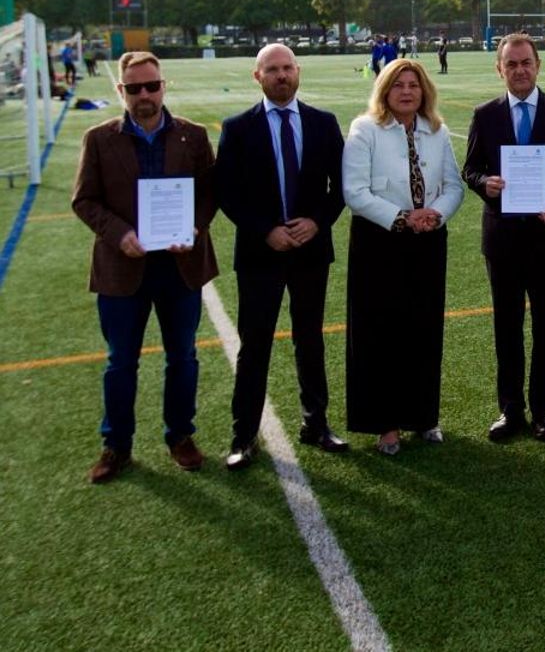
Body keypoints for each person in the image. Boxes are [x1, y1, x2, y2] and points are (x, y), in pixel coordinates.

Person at [72, 51, 218, 483]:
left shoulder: (192, 135)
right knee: (121, 362)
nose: (144, 95)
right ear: (121, 91)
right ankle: (116, 445)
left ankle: (180, 436)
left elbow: (210, 193)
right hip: (122, 267)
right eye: (134, 88)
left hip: (179, 266)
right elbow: (84, 200)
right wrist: (119, 234)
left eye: (151, 85)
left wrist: (194, 225)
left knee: (183, 357)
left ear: (163, 85)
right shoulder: (100, 138)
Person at [214, 44, 349, 470]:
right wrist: (264, 230)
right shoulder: (237, 129)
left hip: (310, 252)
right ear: (258, 77)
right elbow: (227, 193)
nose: (282, 75)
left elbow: (341, 187)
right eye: (272, 69)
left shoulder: (323, 124)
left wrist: (317, 222)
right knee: (255, 346)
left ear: (298, 71)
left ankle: (317, 423)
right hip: (260, 254)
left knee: (310, 339)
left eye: (288, 67)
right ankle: (243, 436)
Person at [462, 34, 545, 443]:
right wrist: (487, 184)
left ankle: (544, 409)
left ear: (538, 66)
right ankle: (510, 408)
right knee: (507, 326)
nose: (519, 70)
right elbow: (471, 169)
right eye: (511, 64)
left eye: (525, 63)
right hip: (502, 240)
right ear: (499, 69)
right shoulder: (485, 115)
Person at [341, 59, 464, 455]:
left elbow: (453, 185)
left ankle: (423, 416)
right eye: (398, 85)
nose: (407, 91)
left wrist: (435, 214)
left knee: (423, 330)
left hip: (427, 241)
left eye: (414, 84)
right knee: (379, 333)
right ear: (385, 91)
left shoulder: (437, 130)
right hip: (380, 243)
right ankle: (386, 424)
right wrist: (401, 218)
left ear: (424, 90)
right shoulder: (365, 130)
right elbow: (355, 193)